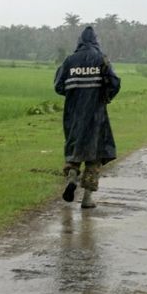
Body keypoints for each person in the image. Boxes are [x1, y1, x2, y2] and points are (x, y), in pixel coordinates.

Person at [54, 26, 121, 208]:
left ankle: (73, 176)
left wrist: (75, 95)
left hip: (73, 115)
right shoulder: (102, 60)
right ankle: (87, 199)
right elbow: (114, 83)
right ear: (95, 40)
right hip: (96, 116)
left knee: (74, 151)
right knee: (94, 156)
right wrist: (104, 97)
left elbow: (59, 86)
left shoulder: (69, 61)